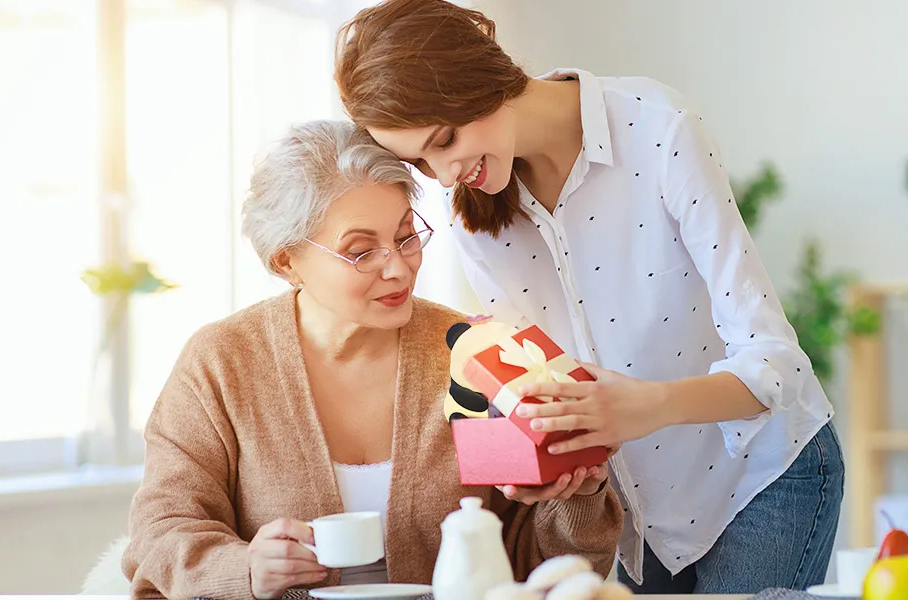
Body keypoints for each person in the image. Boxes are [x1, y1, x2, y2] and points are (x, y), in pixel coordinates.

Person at [334, 0, 844, 595]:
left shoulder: (658, 131)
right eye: (420, 162)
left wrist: (648, 406)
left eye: (445, 140)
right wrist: (550, 458)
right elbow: (546, 381)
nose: (445, 173)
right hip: (646, 519)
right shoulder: (475, 219)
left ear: (480, 75)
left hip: (760, 477)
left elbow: (776, 362)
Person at [120, 120, 622, 600]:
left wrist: (576, 492)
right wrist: (245, 566)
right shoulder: (222, 362)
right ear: (287, 261)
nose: (398, 268)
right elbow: (161, 530)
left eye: (406, 237)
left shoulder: (473, 351)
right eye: (362, 251)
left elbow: (535, 566)